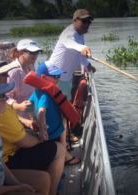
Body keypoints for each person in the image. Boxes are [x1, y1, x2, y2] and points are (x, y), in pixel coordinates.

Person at [0, 53, 65, 195]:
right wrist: (42, 137)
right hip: (9, 158)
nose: (7, 77)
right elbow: (24, 142)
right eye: (3, 97)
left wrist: (28, 122)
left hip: (3, 166)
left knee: (43, 179)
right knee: (58, 149)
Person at [0, 78, 50, 195]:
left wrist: (17, 184)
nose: (7, 99)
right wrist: (15, 188)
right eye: (2, 97)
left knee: (43, 179)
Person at [50, 9, 96, 143]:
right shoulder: (69, 34)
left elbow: (78, 53)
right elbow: (72, 45)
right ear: (75, 21)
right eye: (84, 21)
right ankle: (63, 137)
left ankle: (64, 134)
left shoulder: (80, 35)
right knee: (63, 109)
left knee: (64, 107)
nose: (87, 24)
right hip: (58, 78)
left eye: (89, 21)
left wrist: (87, 65)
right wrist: (83, 47)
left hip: (66, 77)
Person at [29, 61, 81, 165]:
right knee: (56, 154)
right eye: (56, 76)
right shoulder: (45, 95)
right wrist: (42, 129)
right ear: (43, 78)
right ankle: (60, 169)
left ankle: (63, 155)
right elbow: (42, 112)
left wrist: (33, 118)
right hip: (53, 132)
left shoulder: (37, 90)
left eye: (59, 76)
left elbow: (29, 104)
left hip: (54, 128)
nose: (58, 79)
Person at [7, 39, 43, 121]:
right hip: (18, 118)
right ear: (20, 52)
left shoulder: (31, 67)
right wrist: (19, 107)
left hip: (32, 115)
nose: (35, 55)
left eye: (37, 52)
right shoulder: (13, 72)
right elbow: (6, 98)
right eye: (32, 52)